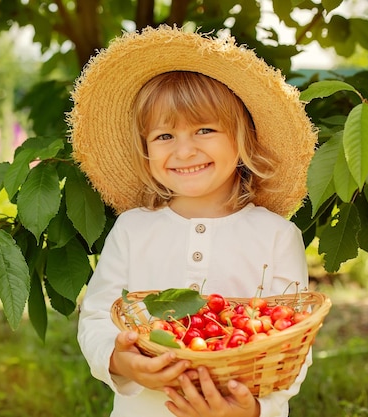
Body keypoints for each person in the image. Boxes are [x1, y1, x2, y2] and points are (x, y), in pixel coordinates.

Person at [68, 26, 317, 417]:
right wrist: (120, 361)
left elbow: (292, 343)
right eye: (164, 135)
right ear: (145, 150)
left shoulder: (276, 236)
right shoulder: (133, 229)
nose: (185, 150)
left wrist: (254, 409)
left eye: (205, 129)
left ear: (243, 140)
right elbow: (99, 316)